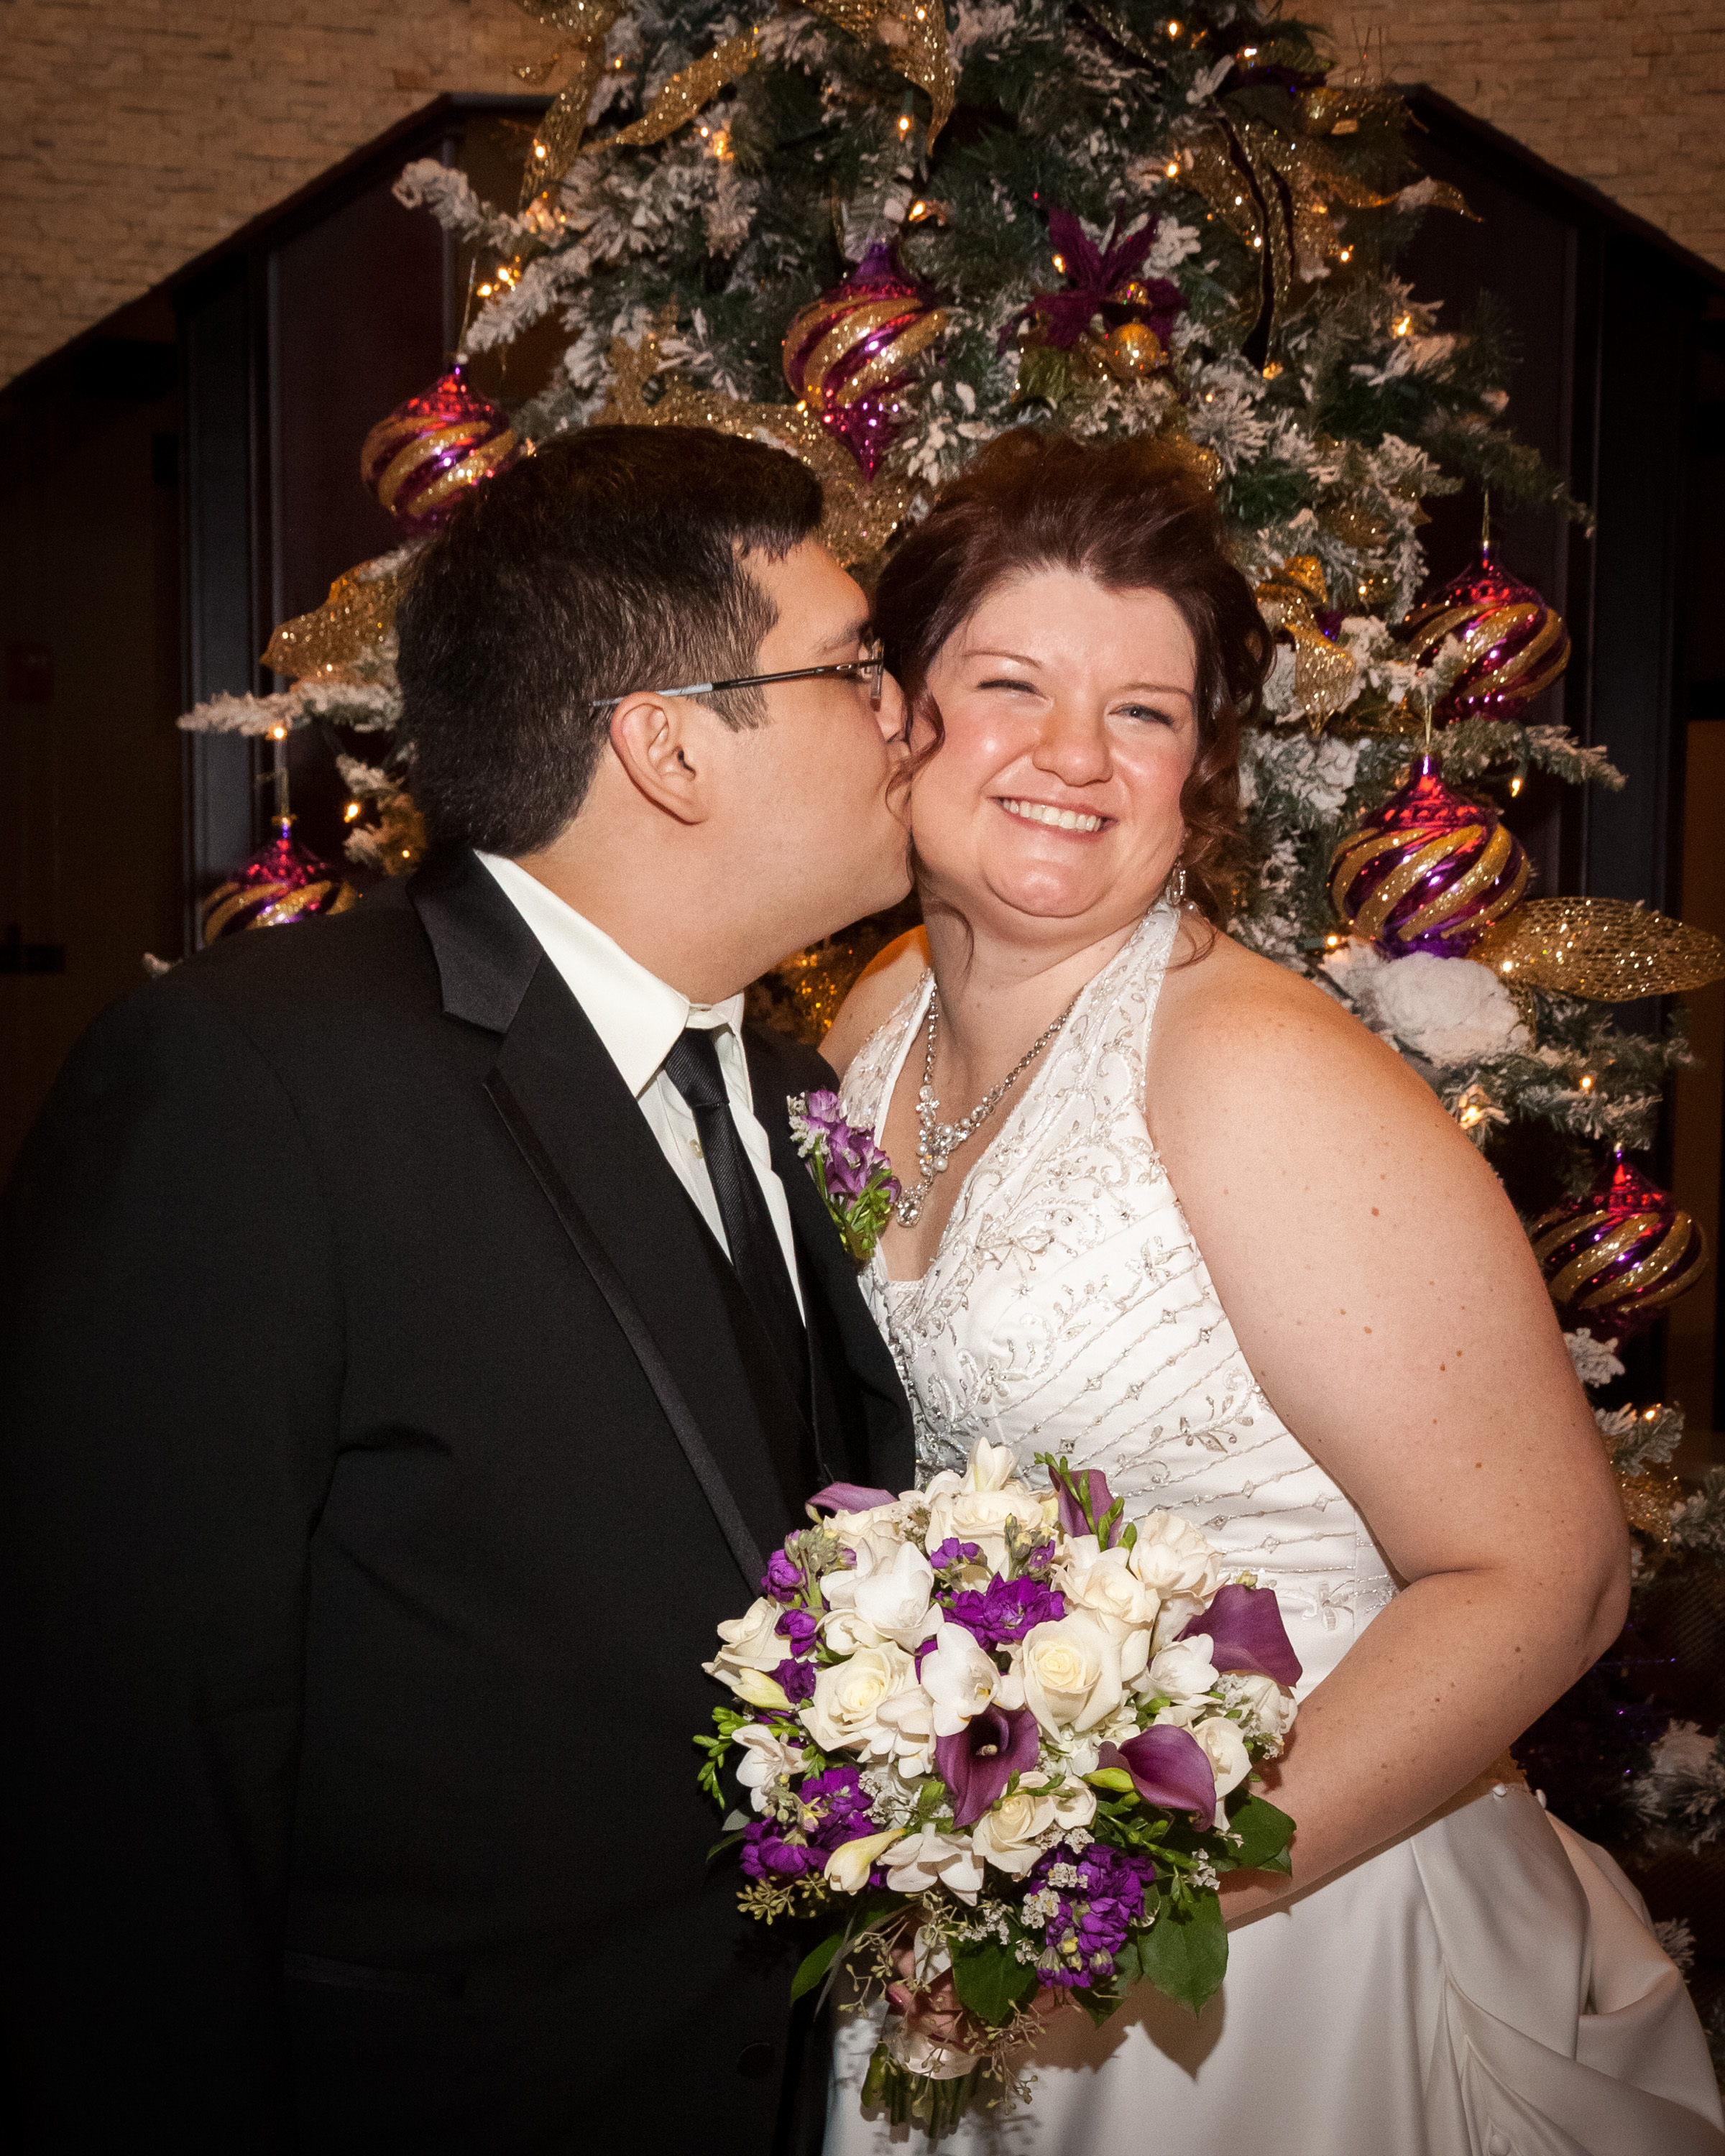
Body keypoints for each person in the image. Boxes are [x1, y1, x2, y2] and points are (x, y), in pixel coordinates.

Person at [0, 425, 915, 2154]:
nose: (905, 716)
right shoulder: (253, 1083)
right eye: (855, 666)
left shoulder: (794, 1088)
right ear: (669, 747)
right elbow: (123, 1753)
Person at [818, 429, 1725, 2152]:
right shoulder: (878, 1020)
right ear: (894, 712)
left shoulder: (1260, 1073)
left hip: (1278, 1938)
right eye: (1010, 685)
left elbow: (1550, 1577)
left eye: (1144, 712)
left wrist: (1121, 1913)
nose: (1074, 756)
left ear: (1203, 768)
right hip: (968, 1881)